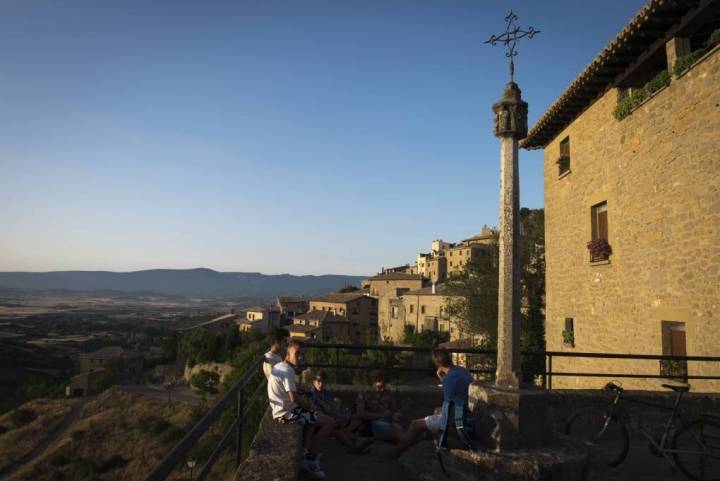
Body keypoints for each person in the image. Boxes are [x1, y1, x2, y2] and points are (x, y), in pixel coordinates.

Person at [268, 340, 334, 480]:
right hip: (286, 414)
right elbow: (293, 398)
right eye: (297, 354)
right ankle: (311, 459)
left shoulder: (280, 366)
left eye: (302, 354)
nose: (300, 357)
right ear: (288, 354)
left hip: (281, 410)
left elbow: (291, 388)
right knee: (329, 422)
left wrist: (304, 392)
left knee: (312, 422)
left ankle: (304, 456)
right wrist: (309, 405)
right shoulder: (288, 371)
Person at [395, 348, 474, 455]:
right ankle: (411, 444)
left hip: (459, 420)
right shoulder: (463, 371)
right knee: (435, 412)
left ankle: (396, 452)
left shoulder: (449, 379)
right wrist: (442, 377)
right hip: (467, 414)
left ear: (437, 363)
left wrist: (445, 420)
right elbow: (456, 394)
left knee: (415, 424)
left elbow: (449, 407)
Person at [308, 370, 373, 453]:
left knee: (356, 418)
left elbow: (334, 403)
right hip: (323, 418)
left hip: (334, 416)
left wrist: (337, 403)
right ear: (314, 382)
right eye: (319, 381)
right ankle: (355, 445)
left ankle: (357, 443)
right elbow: (316, 409)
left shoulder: (326, 393)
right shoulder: (311, 394)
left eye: (323, 382)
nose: (321, 384)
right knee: (335, 428)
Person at [356, 371, 403, 443]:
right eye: (379, 387)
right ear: (373, 383)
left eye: (384, 386)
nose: (382, 389)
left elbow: (394, 409)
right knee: (386, 428)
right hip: (373, 422)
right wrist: (381, 414)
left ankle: (401, 443)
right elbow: (360, 414)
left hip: (388, 421)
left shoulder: (388, 393)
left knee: (399, 428)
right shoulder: (364, 394)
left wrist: (395, 415)